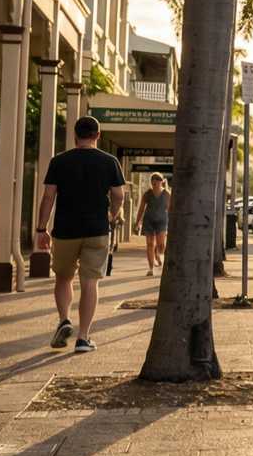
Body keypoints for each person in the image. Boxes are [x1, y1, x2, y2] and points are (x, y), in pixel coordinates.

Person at [35, 116, 126, 352]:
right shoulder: (110, 161)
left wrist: (41, 228)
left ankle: (64, 318)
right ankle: (83, 338)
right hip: (96, 229)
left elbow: (48, 196)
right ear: (97, 135)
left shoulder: (59, 161)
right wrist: (112, 215)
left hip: (65, 230)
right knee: (89, 283)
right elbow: (118, 195)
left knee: (63, 278)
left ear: (75, 135)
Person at [134, 173, 170, 275]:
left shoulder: (167, 194)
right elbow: (141, 209)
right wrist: (137, 223)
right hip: (149, 221)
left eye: (157, 180)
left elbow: (170, 209)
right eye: (153, 181)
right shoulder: (147, 194)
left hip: (162, 222)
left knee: (161, 245)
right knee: (149, 244)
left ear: (161, 182)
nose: (154, 182)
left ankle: (158, 256)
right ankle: (150, 268)